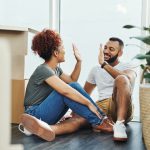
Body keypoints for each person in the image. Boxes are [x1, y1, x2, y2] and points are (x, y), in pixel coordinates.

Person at [19, 29, 113, 141]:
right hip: (34, 113)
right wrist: (88, 103)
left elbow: (72, 80)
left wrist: (79, 62)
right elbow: (66, 91)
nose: (65, 51)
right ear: (55, 52)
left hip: (43, 112)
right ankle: (100, 121)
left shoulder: (56, 70)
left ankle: (102, 119)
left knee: (72, 86)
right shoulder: (43, 69)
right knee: (68, 90)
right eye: (62, 47)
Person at [41, 37, 137, 142]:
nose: (106, 51)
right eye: (105, 48)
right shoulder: (95, 70)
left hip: (121, 104)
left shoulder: (128, 66)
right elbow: (84, 93)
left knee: (121, 78)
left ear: (120, 53)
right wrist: (74, 111)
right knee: (78, 120)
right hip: (102, 107)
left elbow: (126, 80)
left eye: (111, 49)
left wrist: (104, 65)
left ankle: (120, 124)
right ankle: (46, 129)